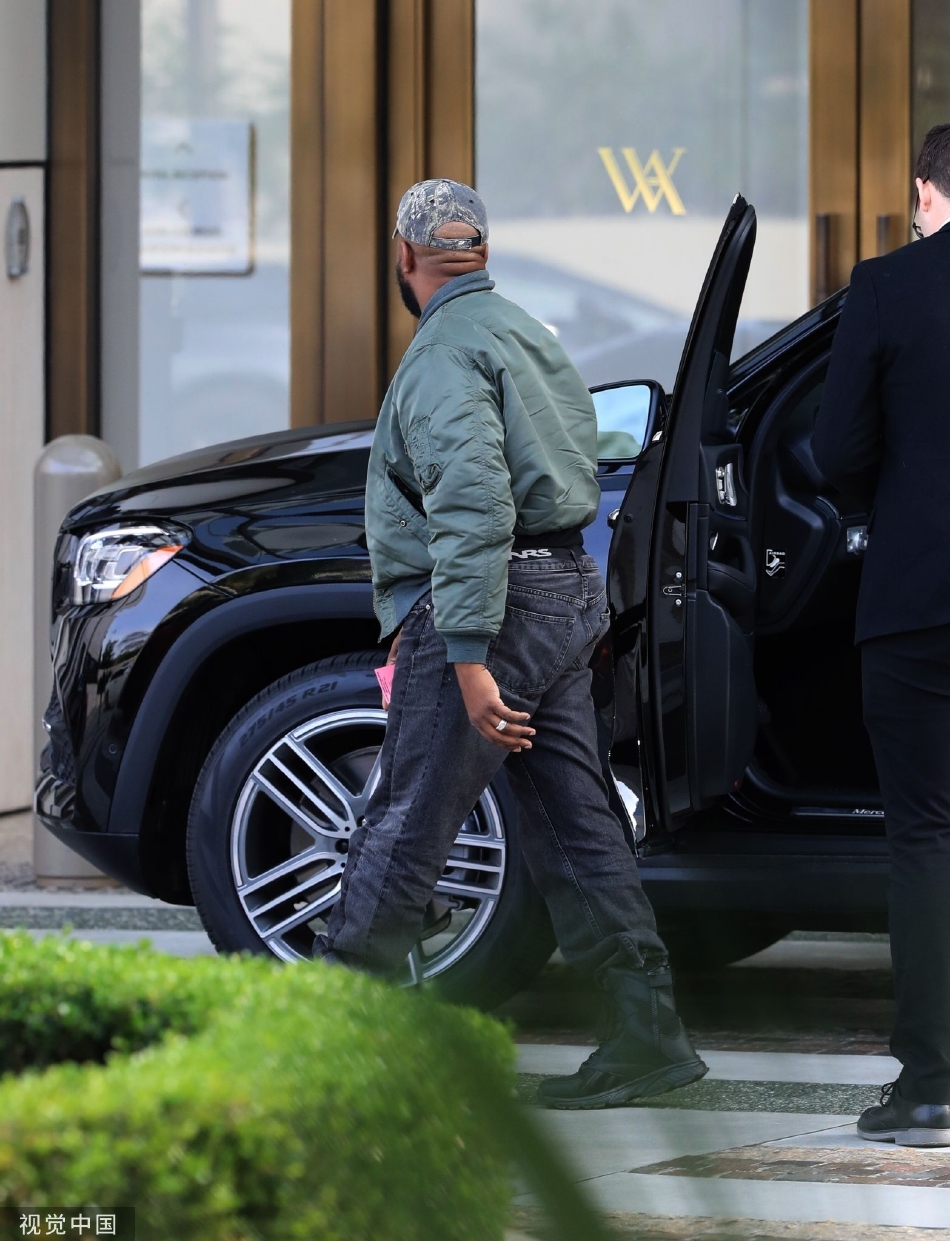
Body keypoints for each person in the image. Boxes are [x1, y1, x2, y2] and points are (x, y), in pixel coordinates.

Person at [313, 178, 707, 1109]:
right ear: (482, 254)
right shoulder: (529, 334)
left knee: (404, 821)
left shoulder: (443, 352)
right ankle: (647, 1034)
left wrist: (466, 653)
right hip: (565, 590)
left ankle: (324, 1047)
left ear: (405, 259)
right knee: (577, 825)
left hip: (495, 608)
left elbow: (475, 502)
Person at [813, 124, 950, 1146]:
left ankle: (930, 1086)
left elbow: (834, 449)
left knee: (925, 837)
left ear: (924, 191)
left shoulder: (886, 286)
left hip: (917, 598)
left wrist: (885, 500)